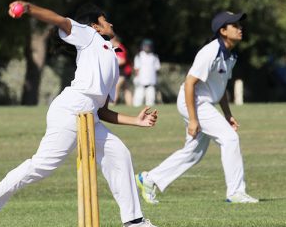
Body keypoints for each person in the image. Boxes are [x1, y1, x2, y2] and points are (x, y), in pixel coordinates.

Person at [0, 1, 170, 227]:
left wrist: (136, 121)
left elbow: (102, 111)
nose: (110, 23)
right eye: (105, 19)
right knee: (41, 166)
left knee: (119, 154)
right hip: (72, 110)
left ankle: (134, 223)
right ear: (95, 25)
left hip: (90, 115)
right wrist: (28, 8)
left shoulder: (110, 57)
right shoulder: (88, 35)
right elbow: (59, 20)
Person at [136, 11, 258, 204]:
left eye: (240, 25)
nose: (240, 28)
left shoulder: (231, 54)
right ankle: (235, 192)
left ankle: (149, 179)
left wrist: (228, 114)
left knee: (193, 153)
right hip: (192, 101)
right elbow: (190, 83)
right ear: (223, 31)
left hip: (204, 104)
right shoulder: (210, 52)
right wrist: (193, 119)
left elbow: (221, 87)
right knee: (230, 138)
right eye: (235, 25)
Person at [133, 39, 161, 107]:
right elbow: (137, 69)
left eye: (149, 46)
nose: (147, 47)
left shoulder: (154, 57)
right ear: (143, 46)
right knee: (138, 100)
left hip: (151, 82)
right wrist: (137, 78)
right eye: (146, 46)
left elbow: (157, 69)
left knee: (151, 100)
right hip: (140, 82)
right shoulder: (139, 56)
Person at [111, 35, 133, 106]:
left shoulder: (120, 48)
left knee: (115, 88)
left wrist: (113, 64)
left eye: (110, 40)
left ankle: (112, 104)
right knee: (126, 89)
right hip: (124, 72)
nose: (110, 42)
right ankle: (130, 105)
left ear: (114, 40)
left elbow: (123, 60)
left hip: (122, 73)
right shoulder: (116, 48)